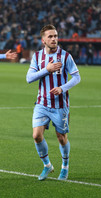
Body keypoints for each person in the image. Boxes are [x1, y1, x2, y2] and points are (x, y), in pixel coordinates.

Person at [26, 24, 81, 181]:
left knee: (61, 138)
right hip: (42, 103)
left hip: (60, 105)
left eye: (55, 36)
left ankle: (65, 168)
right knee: (36, 135)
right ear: (43, 40)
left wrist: (62, 88)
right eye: (50, 36)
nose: (54, 39)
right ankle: (47, 166)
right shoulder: (37, 57)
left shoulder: (65, 56)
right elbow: (29, 78)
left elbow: (77, 77)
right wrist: (47, 70)